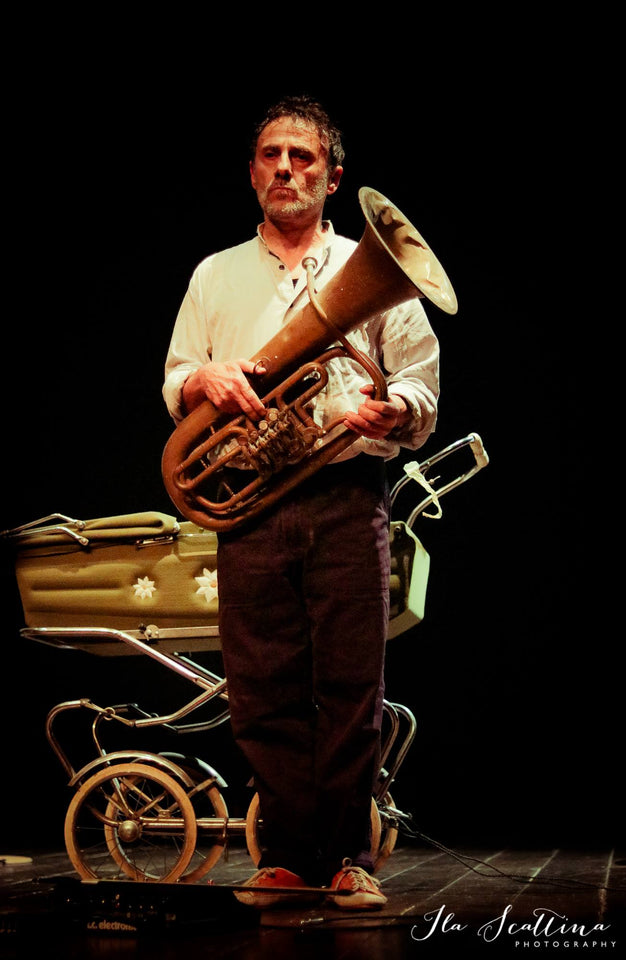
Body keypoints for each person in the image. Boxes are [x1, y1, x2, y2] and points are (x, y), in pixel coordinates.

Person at [163, 96, 440, 910]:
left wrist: (396, 410)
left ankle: (350, 856)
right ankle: (284, 857)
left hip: (348, 493)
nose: (286, 168)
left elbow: (420, 383)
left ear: (333, 176)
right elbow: (176, 375)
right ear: (252, 173)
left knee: (353, 684)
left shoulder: (368, 264)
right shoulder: (214, 274)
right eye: (271, 155)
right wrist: (203, 380)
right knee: (261, 686)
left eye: (304, 157)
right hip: (249, 503)